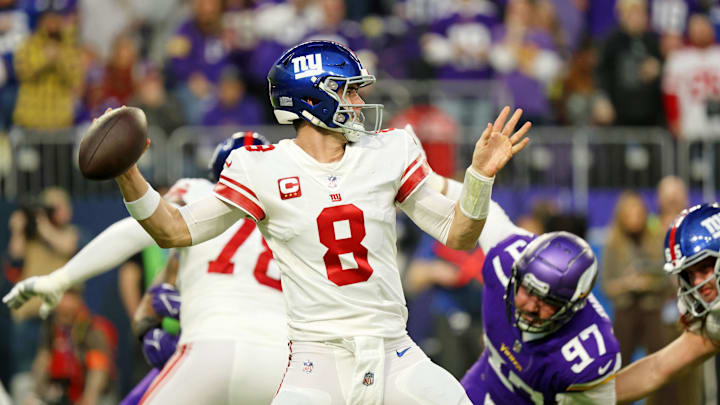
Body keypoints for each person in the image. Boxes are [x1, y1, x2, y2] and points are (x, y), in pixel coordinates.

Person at [108, 40, 530, 404]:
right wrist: (128, 173)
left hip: (393, 352)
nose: (360, 103)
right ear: (314, 98)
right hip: (317, 360)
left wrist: (479, 178)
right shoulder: (260, 168)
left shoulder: (389, 150)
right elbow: (174, 230)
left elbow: (458, 235)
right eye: (348, 92)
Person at [4, 132, 289, 405]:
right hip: (281, 360)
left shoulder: (198, 191)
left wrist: (62, 277)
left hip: (211, 345)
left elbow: (134, 232)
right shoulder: (291, 212)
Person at [459, 198, 621, 404]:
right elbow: (478, 206)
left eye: (548, 301)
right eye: (528, 290)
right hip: (478, 391)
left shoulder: (587, 353)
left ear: (573, 306)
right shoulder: (505, 261)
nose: (530, 306)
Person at [615, 202, 720, 403]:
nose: (698, 283)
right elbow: (657, 369)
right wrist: (586, 398)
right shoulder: (715, 323)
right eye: (690, 274)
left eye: (705, 268)